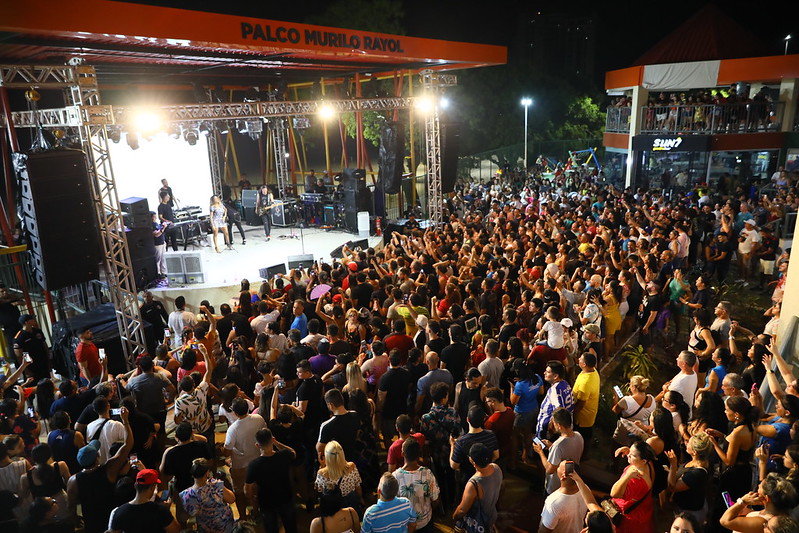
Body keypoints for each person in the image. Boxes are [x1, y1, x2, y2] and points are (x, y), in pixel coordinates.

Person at [245, 428, 298, 533]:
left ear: (257, 445)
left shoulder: (254, 465)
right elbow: (293, 452)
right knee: (291, 527)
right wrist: (277, 443)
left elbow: (247, 488)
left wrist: (252, 498)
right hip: (286, 498)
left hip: (267, 502)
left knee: (271, 529)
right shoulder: (284, 456)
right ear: (272, 439)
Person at [223, 397, 266, 520]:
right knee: (256, 489)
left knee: (239, 492)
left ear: (235, 413)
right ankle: (257, 512)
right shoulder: (258, 419)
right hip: (258, 459)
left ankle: (242, 517)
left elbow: (227, 451)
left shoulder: (233, 429)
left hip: (240, 465)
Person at [108, 468, 181, 533]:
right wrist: (167, 510)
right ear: (152, 487)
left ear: (135, 485)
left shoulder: (119, 512)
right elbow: (176, 530)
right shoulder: (160, 511)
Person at [452, 443, 502, 533]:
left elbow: (462, 510)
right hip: (491, 516)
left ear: (473, 463)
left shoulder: (474, 484)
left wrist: (454, 517)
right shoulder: (497, 468)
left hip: (479, 523)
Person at [392, 438, 439, 533]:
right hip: (426, 523)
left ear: (402, 454)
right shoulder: (427, 474)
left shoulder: (395, 477)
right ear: (419, 454)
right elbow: (435, 500)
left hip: (405, 526)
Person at [533, 408, 584, 495]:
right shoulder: (579, 436)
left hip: (555, 487)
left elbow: (550, 469)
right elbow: (565, 452)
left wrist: (540, 452)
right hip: (571, 481)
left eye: (554, 423)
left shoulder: (558, 445)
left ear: (559, 426)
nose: (553, 425)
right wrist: (551, 447)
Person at [179, 458, 235, 533]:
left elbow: (185, 516)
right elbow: (232, 499)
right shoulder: (216, 485)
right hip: (224, 525)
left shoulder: (186, 495)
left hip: (205, 528)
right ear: (207, 473)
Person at [611, 440, 655, 533]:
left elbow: (614, 493)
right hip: (643, 512)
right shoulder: (648, 464)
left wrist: (627, 476)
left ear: (643, 460)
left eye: (633, 455)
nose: (628, 455)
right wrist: (630, 451)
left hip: (629, 519)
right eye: (629, 452)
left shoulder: (636, 480)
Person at [539, 461, 588, 533]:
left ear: (563, 476)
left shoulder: (553, 502)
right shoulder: (585, 489)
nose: (557, 468)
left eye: (559, 466)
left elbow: (544, 531)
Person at [314, 441, 362, 513]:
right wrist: (360, 499)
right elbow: (358, 486)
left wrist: (322, 466)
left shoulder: (322, 473)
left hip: (333, 506)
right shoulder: (352, 466)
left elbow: (319, 489)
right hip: (351, 503)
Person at [536, 361, 573, 439]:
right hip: (566, 426)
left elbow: (559, 411)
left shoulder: (554, 390)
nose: (544, 373)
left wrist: (552, 428)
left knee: (540, 447)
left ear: (555, 376)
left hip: (547, 430)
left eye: (548, 372)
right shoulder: (565, 384)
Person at [572, 352, 600, 443]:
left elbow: (580, 404)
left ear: (584, 364)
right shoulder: (593, 371)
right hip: (589, 414)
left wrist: (573, 416)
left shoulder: (586, 383)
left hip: (582, 418)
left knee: (582, 440)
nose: (578, 359)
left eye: (580, 358)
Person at [13, 314, 50, 380]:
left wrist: (49, 359)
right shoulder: (19, 337)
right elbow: (19, 356)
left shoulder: (37, 331)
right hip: (31, 365)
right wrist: (26, 371)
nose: (34, 320)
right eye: (32, 319)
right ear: (26, 322)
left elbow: (44, 345)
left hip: (42, 362)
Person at [150, 212, 168, 278]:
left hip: (162, 243)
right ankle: (157, 273)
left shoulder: (156, 223)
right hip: (157, 244)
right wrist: (163, 228)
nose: (156, 217)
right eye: (154, 216)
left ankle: (163, 272)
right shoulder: (151, 225)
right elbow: (156, 234)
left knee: (163, 259)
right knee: (158, 259)